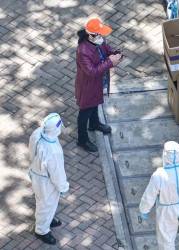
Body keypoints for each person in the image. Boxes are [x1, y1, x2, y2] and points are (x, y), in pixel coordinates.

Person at [139, 141, 179, 250]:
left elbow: (149, 195)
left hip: (167, 211)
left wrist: (144, 209)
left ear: (165, 155)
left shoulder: (158, 175)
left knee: (166, 238)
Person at [75, 17, 122, 152]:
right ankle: (82, 140)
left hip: (97, 82)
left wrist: (115, 54)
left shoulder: (99, 40)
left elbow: (107, 50)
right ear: (91, 35)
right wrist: (110, 62)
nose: (102, 36)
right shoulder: (83, 51)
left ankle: (94, 123)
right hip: (88, 85)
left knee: (94, 103)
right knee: (85, 112)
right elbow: (91, 71)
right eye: (99, 33)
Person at [28, 113, 69, 245]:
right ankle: (41, 230)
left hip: (36, 174)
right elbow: (57, 173)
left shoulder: (38, 133)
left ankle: (48, 219)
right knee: (46, 204)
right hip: (47, 182)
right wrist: (63, 187)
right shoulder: (52, 151)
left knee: (43, 202)